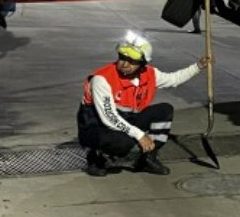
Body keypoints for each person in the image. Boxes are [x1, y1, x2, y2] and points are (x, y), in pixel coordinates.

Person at [77, 32, 213, 177]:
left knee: (164, 110)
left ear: (142, 63)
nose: (125, 64)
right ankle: (96, 158)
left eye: (132, 60)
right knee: (123, 143)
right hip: (97, 128)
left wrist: (198, 66)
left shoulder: (149, 73)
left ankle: (148, 158)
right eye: (122, 58)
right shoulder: (102, 79)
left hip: (125, 120)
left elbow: (173, 79)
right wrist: (139, 135)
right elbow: (109, 118)